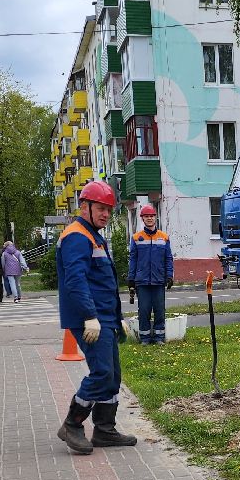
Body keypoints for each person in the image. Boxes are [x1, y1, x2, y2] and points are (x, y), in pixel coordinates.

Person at [56, 179, 137, 452]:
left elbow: (104, 283)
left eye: (108, 210)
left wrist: (118, 318)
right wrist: (90, 316)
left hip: (105, 318)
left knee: (112, 376)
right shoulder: (77, 236)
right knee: (102, 373)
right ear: (85, 206)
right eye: (100, 208)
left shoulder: (94, 235)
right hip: (90, 320)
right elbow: (75, 281)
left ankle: (104, 430)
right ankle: (72, 424)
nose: (105, 214)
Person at [128, 204, 175, 343]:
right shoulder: (136, 238)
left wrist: (169, 275)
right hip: (142, 281)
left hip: (159, 280)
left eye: (151, 216)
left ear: (155, 217)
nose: (149, 218)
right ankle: (145, 338)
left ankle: (159, 337)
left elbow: (168, 258)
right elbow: (133, 259)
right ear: (142, 218)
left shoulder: (164, 237)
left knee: (160, 310)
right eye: (146, 216)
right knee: (144, 311)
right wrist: (131, 279)